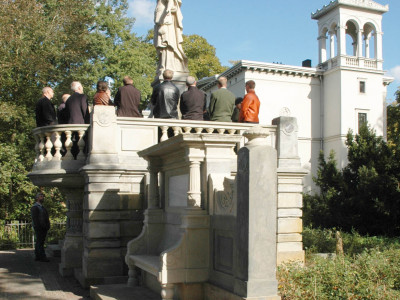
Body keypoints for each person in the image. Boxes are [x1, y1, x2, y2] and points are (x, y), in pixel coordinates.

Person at [154, 0, 188, 76]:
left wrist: (168, 10)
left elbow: (170, 1)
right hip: (162, 19)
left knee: (167, 43)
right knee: (163, 47)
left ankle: (168, 65)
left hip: (166, 20)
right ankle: (164, 65)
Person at [31, 192, 50, 262]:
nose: (42, 197)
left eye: (43, 196)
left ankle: (38, 256)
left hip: (43, 227)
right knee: (40, 242)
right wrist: (39, 226)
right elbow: (35, 219)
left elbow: (45, 217)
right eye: (41, 196)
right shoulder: (35, 207)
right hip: (39, 228)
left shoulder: (42, 207)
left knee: (39, 242)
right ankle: (42, 256)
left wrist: (47, 225)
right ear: (37, 198)